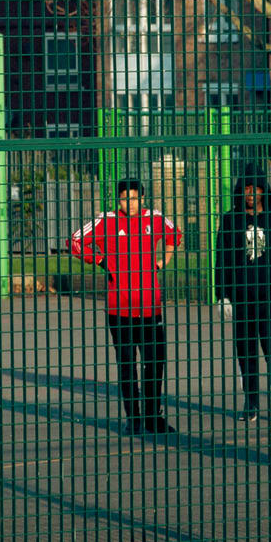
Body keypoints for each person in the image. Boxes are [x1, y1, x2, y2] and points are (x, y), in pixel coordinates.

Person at [69, 176, 182, 435]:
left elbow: (174, 235)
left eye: (133, 198)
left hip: (150, 306)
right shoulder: (105, 221)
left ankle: (154, 417)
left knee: (155, 362)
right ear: (117, 199)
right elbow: (74, 241)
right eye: (123, 198)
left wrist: (163, 261)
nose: (128, 203)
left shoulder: (153, 218)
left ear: (141, 198)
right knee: (127, 363)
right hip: (119, 308)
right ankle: (134, 419)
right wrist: (100, 260)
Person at [214, 165, 271, 422]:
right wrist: (222, 294)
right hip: (241, 297)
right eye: (247, 189)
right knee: (246, 351)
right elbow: (222, 259)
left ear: (265, 190)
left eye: (256, 188)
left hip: (269, 296)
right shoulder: (231, 220)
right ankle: (251, 403)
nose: (252, 194)